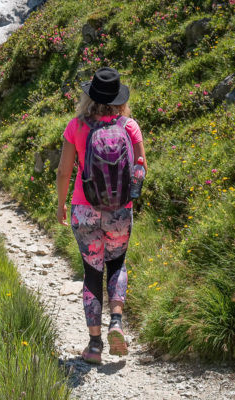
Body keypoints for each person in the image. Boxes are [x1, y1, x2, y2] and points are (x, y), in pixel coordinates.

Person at [56, 66, 146, 364]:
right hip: (119, 210)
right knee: (117, 263)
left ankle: (94, 346)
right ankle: (116, 323)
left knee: (92, 272)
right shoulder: (129, 126)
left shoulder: (76, 126)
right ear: (119, 98)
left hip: (84, 209)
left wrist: (61, 204)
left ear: (89, 97)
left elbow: (64, 171)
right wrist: (129, 196)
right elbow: (141, 167)